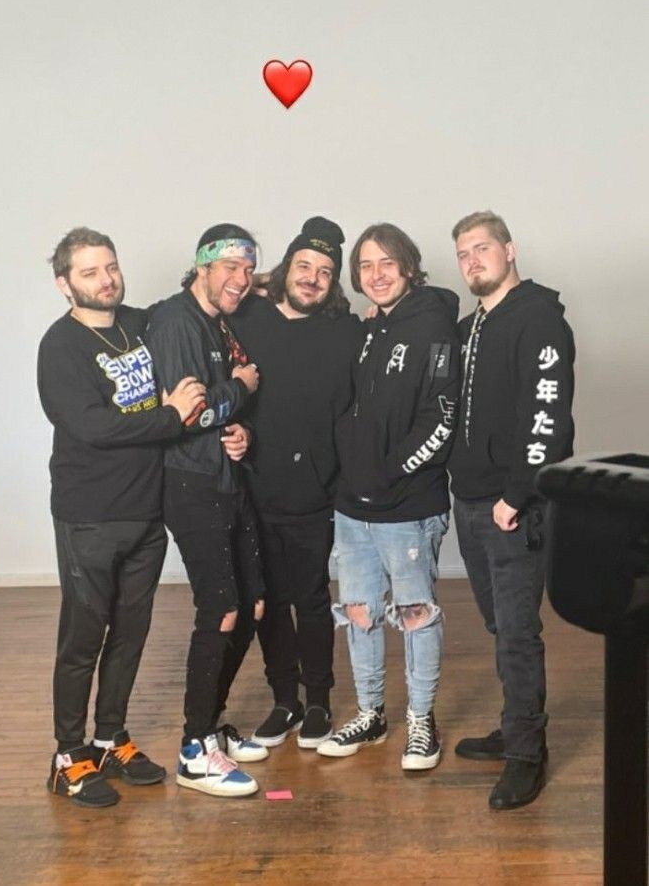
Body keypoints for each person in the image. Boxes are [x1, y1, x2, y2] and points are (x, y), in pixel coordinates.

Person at [38, 227, 204, 808]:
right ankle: (67, 755)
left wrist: (247, 281)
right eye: (89, 272)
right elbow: (94, 427)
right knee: (83, 640)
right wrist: (172, 416)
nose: (105, 279)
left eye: (110, 267)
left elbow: (189, 303)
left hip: (145, 513)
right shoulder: (60, 347)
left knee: (130, 635)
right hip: (89, 517)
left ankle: (109, 737)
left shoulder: (139, 324)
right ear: (65, 284)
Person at [317, 223, 461, 770]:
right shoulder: (372, 329)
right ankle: (371, 713)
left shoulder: (433, 327)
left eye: (386, 264)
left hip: (407, 503)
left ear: (408, 267)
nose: (375, 275)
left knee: (415, 612)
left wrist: (395, 470)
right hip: (353, 507)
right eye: (365, 266)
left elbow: (443, 416)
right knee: (359, 611)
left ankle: (422, 720)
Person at [448, 210, 575, 809]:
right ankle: (514, 724)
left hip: (510, 507)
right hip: (470, 502)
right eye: (464, 255)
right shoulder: (473, 324)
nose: (473, 261)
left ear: (510, 249)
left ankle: (528, 754)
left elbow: (547, 421)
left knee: (519, 633)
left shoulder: (540, 320)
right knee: (502, 629)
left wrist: (515, 496)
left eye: (482, 249)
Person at [230, 217, 363, 749]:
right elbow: (193, 287)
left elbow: (438, 301)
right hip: (254, 487)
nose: (312, 278)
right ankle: (283, 699)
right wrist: (260, 280)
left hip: (316, 492)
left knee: (309, 598)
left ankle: (319, 703)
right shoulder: (249, 316)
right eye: (303, 266)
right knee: (267, 598)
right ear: (286, 267)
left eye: (325, 271)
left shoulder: (346, 330)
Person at [146, 224, 267, 798]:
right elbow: (187, 414)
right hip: (191, 486)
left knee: (254, 605)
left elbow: (214, 415)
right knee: (220, 609)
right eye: (230, 268)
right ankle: (195, 750)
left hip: (225, 478)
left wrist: (238, 429)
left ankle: (211, 726)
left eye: (248, 270)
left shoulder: (218, 323)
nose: (240, 280)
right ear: (202, 266)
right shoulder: (175, 320)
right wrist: (240, 390)